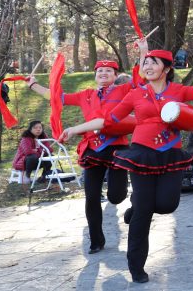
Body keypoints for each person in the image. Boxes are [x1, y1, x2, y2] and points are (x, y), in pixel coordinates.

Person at [61, 41, 193, 284]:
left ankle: (136, 206)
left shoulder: (178, 90)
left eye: (153, 62)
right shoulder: (135, 93)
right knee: (144, 215)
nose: (147, 66)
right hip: (142, 153)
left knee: (168, 204)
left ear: (166, 68)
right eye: (145, 62)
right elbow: (107, 120)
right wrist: (74, 129)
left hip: (170, 153)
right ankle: (136, 266)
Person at [26, 45, 146, 255]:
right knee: (91, 197)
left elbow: (142, 79)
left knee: (116, 197)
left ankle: (132, 204)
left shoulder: (124, 90)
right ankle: (96, 240)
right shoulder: (86, 95)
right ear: (95, 76)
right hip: (93, 149)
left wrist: (143, 51)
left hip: (117, 147)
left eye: (108, 71)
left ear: (115, 75)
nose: (103, 73)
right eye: (100, 71)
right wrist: (33, 85)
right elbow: (57, 97)